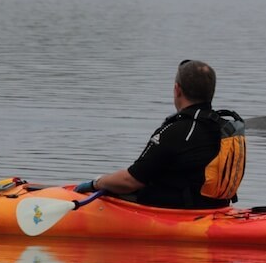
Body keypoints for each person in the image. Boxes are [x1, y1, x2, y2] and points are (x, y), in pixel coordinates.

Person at [75, 60, 246, 209]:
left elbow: (130, 181)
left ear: (177, 90)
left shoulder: (176, 131)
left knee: (110, 192)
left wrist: (96, 182)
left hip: (176, 211)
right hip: (217, 207)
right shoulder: (224, 129)